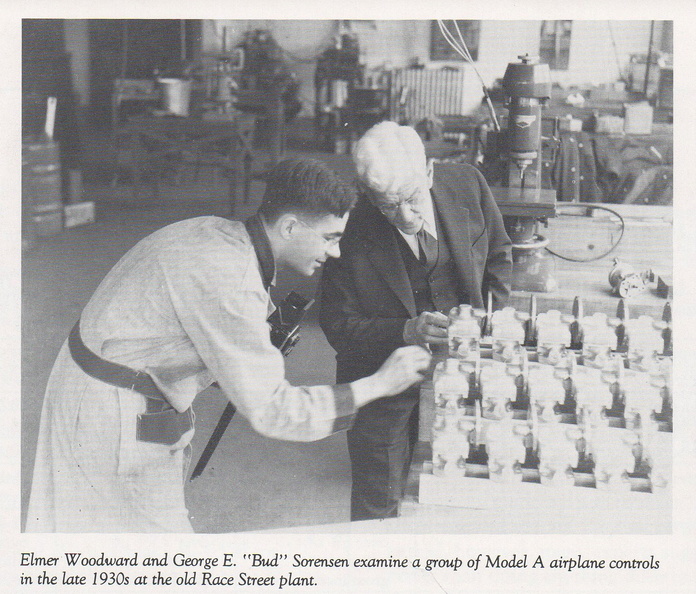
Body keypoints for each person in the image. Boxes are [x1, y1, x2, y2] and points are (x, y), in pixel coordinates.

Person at [26, 157, 431, 533]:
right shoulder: (230, 279)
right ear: (290, 227)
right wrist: (378, 384)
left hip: (95, 380)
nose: (336, 252)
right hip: (108, 409)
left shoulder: (215, 230)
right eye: (329, 238)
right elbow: (275, 411)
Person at [319, 121, 512, 521]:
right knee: (378, 498)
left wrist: (486, 323)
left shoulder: (468, 185)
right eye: (388, 205)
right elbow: (337, 323)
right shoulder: (347, 225)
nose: (405, 216)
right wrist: (405, 330)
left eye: (411, 199)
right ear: (368, 193)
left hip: (466, 363)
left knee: (470, 482)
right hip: (380, 371)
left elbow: (498, 256)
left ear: (429, 172)